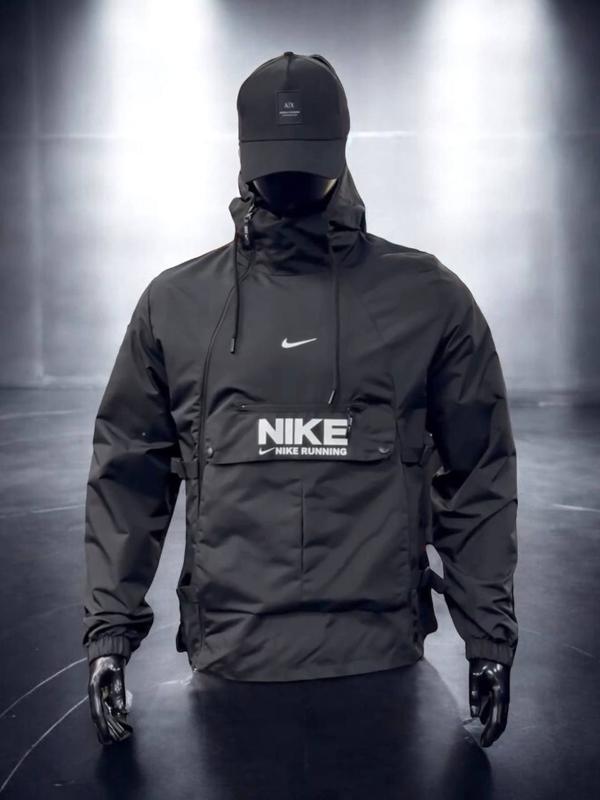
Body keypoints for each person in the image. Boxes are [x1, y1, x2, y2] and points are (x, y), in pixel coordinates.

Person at [83, 51, 518, 747]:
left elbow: (477, 473)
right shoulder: (177, 305)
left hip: (380, 655)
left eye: (305, 161)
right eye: (275, 162)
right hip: (232, 656)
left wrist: (488, 637)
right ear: (243, 156)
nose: (289, 180)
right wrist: (110, 632)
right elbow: (129, 477)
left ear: (340, 152)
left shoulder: (428, 298)